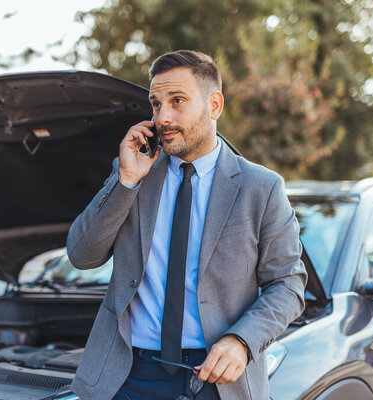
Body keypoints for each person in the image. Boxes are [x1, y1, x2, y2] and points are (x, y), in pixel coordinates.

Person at [66, 50, 307, 400]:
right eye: (156, 103)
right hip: (128, 376)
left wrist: (242, 341)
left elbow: (287, 284)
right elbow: (81, 255)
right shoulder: (135, 173)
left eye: (177, 101)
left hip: (219, 379)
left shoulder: (262, 188)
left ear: (214, 106)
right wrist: (126, 181)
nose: (163, 117)